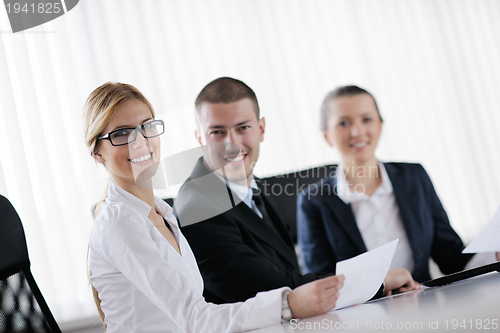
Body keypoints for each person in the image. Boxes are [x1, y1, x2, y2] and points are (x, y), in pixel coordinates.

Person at [85, 82, 348, 333]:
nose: (140, 141)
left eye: (147, 126)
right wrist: (286, 304)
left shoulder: (162, 213)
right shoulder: (121, 222)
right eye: (121, 133)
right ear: (97, 153)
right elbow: (195, 318)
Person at [175, 77, 419, 305]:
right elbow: (269, 290)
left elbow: (289, 273)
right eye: (217, 132)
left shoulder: (253, 187)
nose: (233, 143)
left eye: (243, 128)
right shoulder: (197, 207)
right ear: (199, 138)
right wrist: (375, 282)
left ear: (261, 129)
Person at [297, 85, 500, 282]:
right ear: (326, 135)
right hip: (362, 315)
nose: (357, 131)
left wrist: (494, 255)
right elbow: (320, 283)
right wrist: (383, 286)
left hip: (425, 304)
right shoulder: (313, 201)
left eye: (367, 119)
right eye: (343, 123)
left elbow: (451, 258)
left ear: (380, 125)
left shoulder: (414, 177)